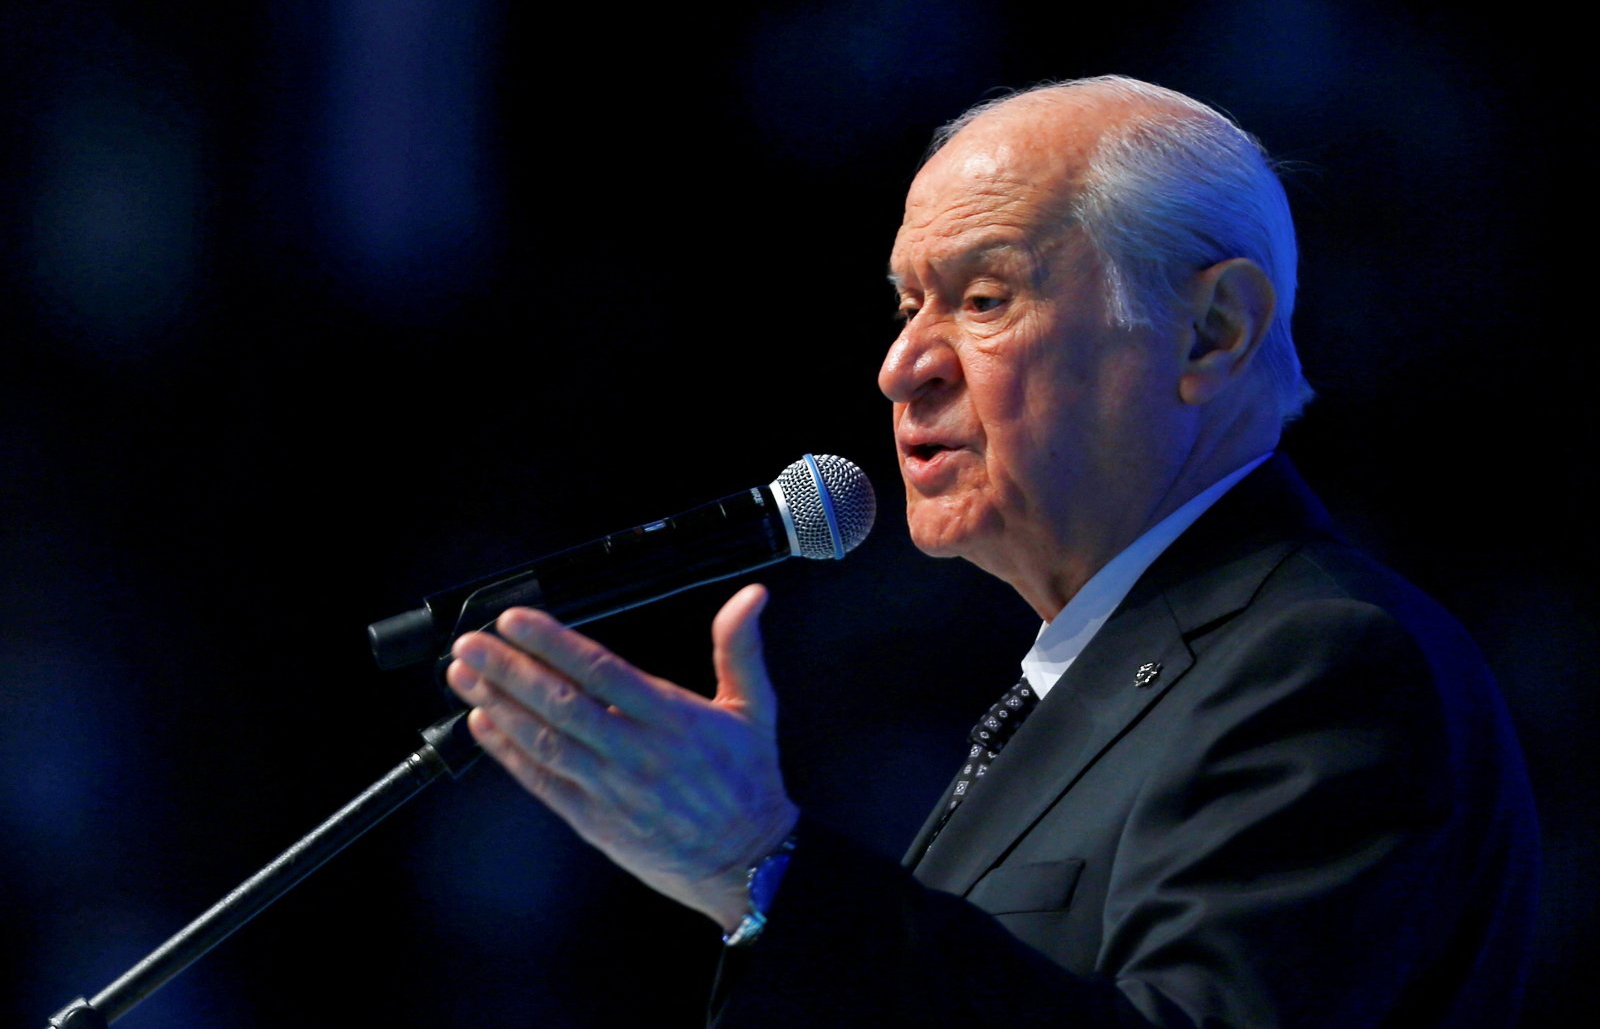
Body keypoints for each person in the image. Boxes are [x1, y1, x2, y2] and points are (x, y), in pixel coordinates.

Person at [443, 76, 1539, 1025]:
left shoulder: (1326, 667)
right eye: (904, 306)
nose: (901, 366)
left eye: (979, 298)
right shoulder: (1097, 674)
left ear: (1211, 332)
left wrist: (766, 869)